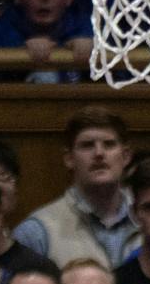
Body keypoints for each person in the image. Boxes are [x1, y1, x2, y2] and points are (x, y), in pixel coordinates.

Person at [10, 107, 137, 269]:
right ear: (69, 158)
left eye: (109, 144)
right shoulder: (35, 233)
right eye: (87, 146)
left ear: (126, 156)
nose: (99, 153)